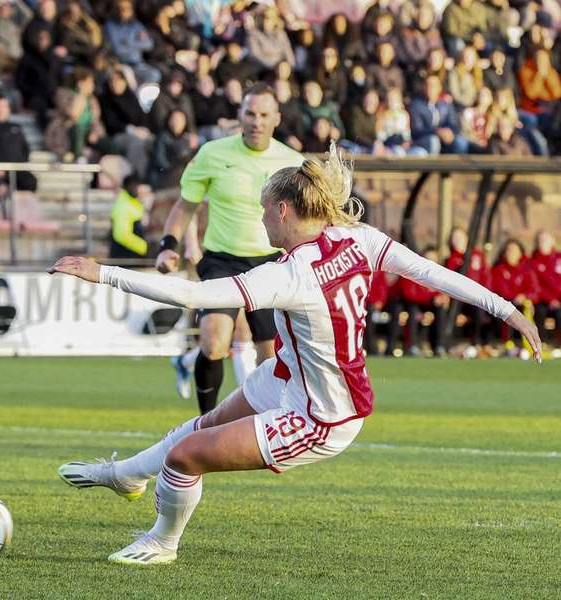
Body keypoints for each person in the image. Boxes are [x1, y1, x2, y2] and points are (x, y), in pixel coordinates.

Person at [50, 144, 541, 566]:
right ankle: (126, 474)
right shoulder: (359, 239)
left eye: (264, 209)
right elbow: (434, 273)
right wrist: (510, 312)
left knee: (184, 457)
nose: (260, 219)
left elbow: (193, 298)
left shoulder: (291, 274)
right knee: (200, 427)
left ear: (283, 211)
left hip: (321, 414)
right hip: (289, 376)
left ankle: (163, 541)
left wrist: (104, 273)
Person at [157, 83, 304, 415]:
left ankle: (269, 426)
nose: (256, 121)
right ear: (239, 114)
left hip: (270, 262)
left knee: (270, 355)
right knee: (213, 341)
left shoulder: (293, 163)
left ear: (277, 119)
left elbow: (307, 218)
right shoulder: (213, 153)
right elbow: (184, 206)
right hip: (222, 259)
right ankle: (203, 426)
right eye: (250, 113)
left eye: (264, 115)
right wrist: (168, 246)